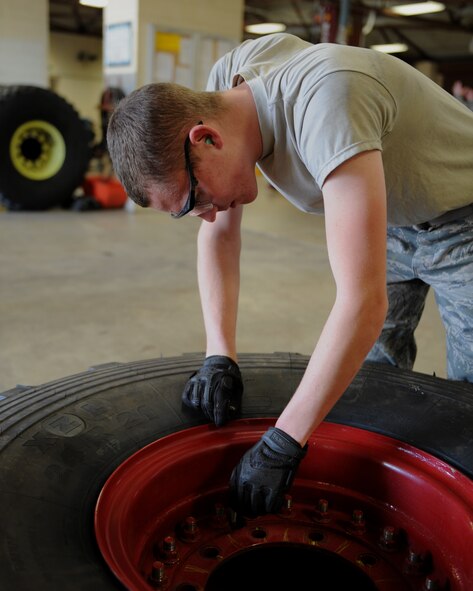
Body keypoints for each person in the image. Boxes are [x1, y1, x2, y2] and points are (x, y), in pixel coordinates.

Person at [107, 33, 473, 518]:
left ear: (206, 138)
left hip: (462, 217)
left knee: (466, 405)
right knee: (367, 385)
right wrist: (220, 355)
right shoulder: (226, 89)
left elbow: (361, 303)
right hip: (392, 213)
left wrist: (283, 441)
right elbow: (219, 238)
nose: (209, 215)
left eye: (196, 201)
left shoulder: (329, 101)